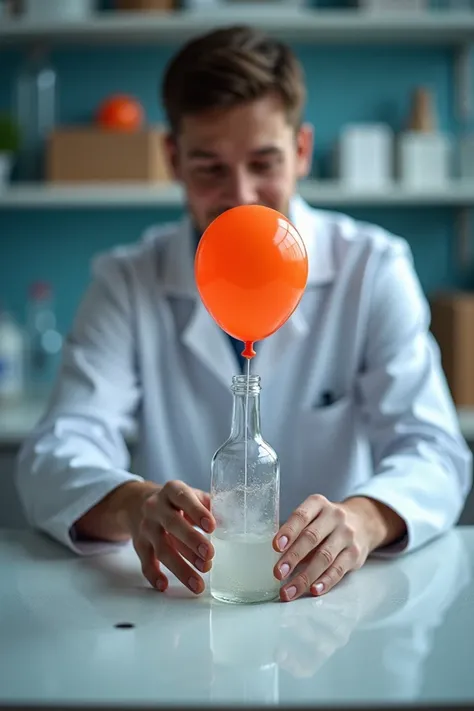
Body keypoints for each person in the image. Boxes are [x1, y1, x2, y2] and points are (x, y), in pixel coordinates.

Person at [16, 25, 472, 604]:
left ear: (301, 150)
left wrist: (364, 520)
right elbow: (56, 453)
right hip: (190, 603)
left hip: (337, 609)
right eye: (210, 167)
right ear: (173, 159)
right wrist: (136, 506)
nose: (242, 195)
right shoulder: (127, 280)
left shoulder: (372, 267)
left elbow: (433, 449)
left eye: (264, 162)